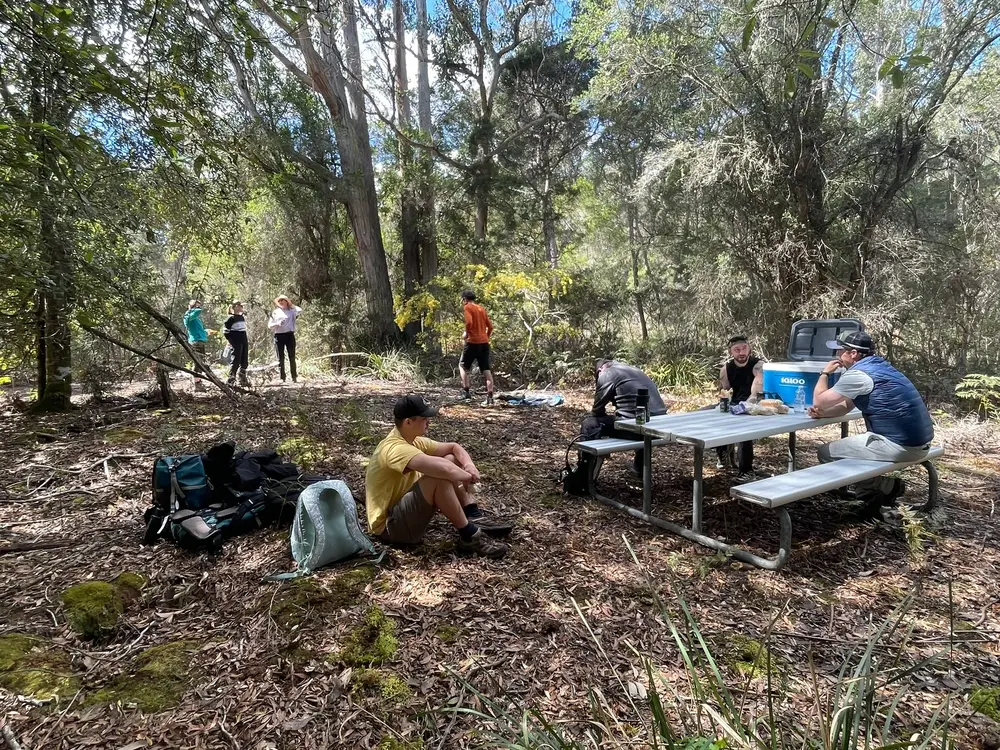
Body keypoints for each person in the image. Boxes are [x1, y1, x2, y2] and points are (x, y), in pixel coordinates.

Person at [365, 395, 512, 558]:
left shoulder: (413, 441)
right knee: (438, 478)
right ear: (408, 422)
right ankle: (469, 536)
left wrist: (469, 466)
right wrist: (467, 477)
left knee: (451, 459)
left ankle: (473, 514)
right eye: (424, 418)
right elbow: (443, 470)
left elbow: (453, 448)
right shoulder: (394, 448)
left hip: (403, 514)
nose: (429, 422)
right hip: (389, 528)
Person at [809, 330, 934, 514]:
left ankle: (879, 493)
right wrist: (823, 414)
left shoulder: (859, 375)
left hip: (900, 444)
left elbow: (818, 400)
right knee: (850, 453)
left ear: (853, 353)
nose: (836, 355)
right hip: (918, 442)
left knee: (826, 453)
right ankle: (876, 493)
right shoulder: (881, 367)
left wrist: (824, 373)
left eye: (839, 350)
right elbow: (845, 406)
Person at [580, 359, 668, 479]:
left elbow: (597, 411)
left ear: (600, 370)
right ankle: (640, 468)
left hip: (640, 429)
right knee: (640, 420)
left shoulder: (607, 373)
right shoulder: (634, 370)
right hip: (661, 426)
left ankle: (583, 477)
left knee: (589, 424)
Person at [716, 335, 765, 480]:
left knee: (744, 429)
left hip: (754, 405)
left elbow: (756, 391)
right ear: (731, 352)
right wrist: (723, 403)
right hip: (734, 404)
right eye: (737, 350)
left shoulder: (758, 365)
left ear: (749, 349)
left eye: (744, 348)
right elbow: (724, 391)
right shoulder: (726, 369)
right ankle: (723, 451)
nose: (741, 353)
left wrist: (748, 403)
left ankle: (746, 470)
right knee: (706, 414)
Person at [459, 290, 495, 406]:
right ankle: (490, 397)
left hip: (472, 342)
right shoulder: (481, 308)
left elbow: (469, 322)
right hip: (484, 342)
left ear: (464, 299)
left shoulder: (468, 307)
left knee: (462, 366)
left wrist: (467, 333)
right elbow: (490, 327)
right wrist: (486, 337)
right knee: (486, 369)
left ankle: (466, 392)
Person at [268, 295, 301, 383]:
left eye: (283, 300)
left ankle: (294, 376)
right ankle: (282, 377)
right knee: (280, 357)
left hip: (289, 335)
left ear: (287, 301)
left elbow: (300, 310)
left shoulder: (292, 311)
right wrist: (277, 324)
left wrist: (291, 305)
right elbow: (270, 326)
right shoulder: (275, 312)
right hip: (279, 336)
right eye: (279, 301)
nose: (281, 302)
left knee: (292, 356)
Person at [183, 299, 209, 391]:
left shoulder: (195, 318)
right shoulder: (189, 316)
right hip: (195, 342)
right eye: (197, 306)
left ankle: (199, 382)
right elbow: (198, 311)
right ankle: (197, 384)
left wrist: (205, 332)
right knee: (198, 362)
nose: (199, 308)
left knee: (201, 362)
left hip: (200, 340)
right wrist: (193, 308)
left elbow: (197, 329)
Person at [223, 301, 250, 387]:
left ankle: (242, 378)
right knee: (236, 360)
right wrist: (231, 341)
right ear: (235, 307)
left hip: (243, 339)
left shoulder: (241, 317)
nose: (242, 307)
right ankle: (231, 379)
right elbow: (226, 332)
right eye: (240, 306)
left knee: (244, 359)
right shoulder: (230, 318)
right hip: (236, 341)